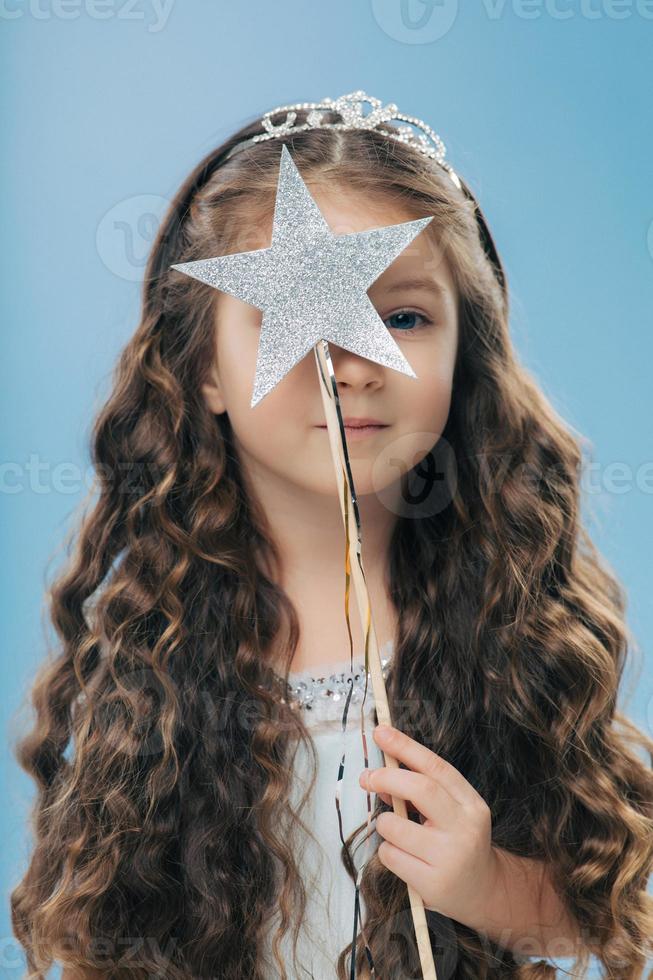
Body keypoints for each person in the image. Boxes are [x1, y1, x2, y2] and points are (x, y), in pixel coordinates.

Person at [10, 91, 653, 979]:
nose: (347, 365)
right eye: (284, 321)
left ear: (465, 351)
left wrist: (484, 883)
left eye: (402, 317)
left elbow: (600, 923)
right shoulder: (154, 648)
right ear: (204, 369)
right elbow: (97, 934)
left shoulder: (506, 626)